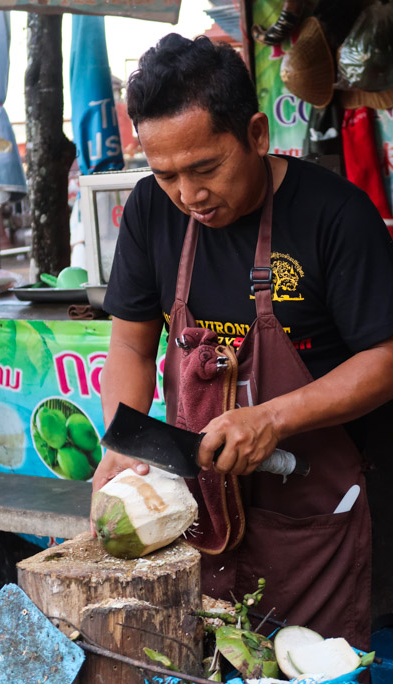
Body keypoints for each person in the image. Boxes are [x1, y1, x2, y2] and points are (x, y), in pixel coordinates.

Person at [92, 33, 393, 649]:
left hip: (328, 511)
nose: (189, 195)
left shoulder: (336, 216)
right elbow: (129, 346)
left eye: (205, 168)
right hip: (209, 511)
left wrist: (273, 419)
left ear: (256, 134)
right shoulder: (152, 211)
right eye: (166, 173)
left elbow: (385, 359)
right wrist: (122, 439)